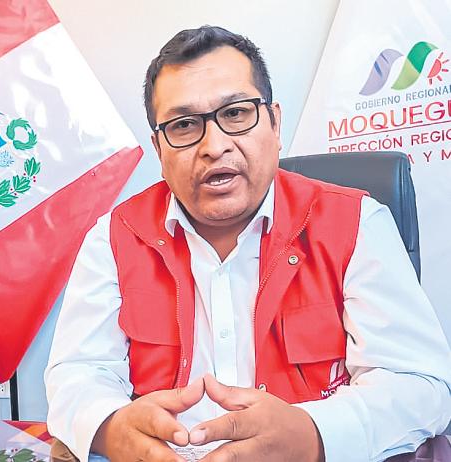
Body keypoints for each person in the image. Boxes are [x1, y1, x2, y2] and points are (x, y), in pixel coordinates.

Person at [45, 25, 451, 462]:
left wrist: (313, 434)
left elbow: (419, 385)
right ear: (159, 149)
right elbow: (77, 374)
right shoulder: (113, 237)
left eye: (236, 113)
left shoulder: (357, 223)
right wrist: (112, 428)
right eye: (184, 125)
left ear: (275, 123)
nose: (214, 146)